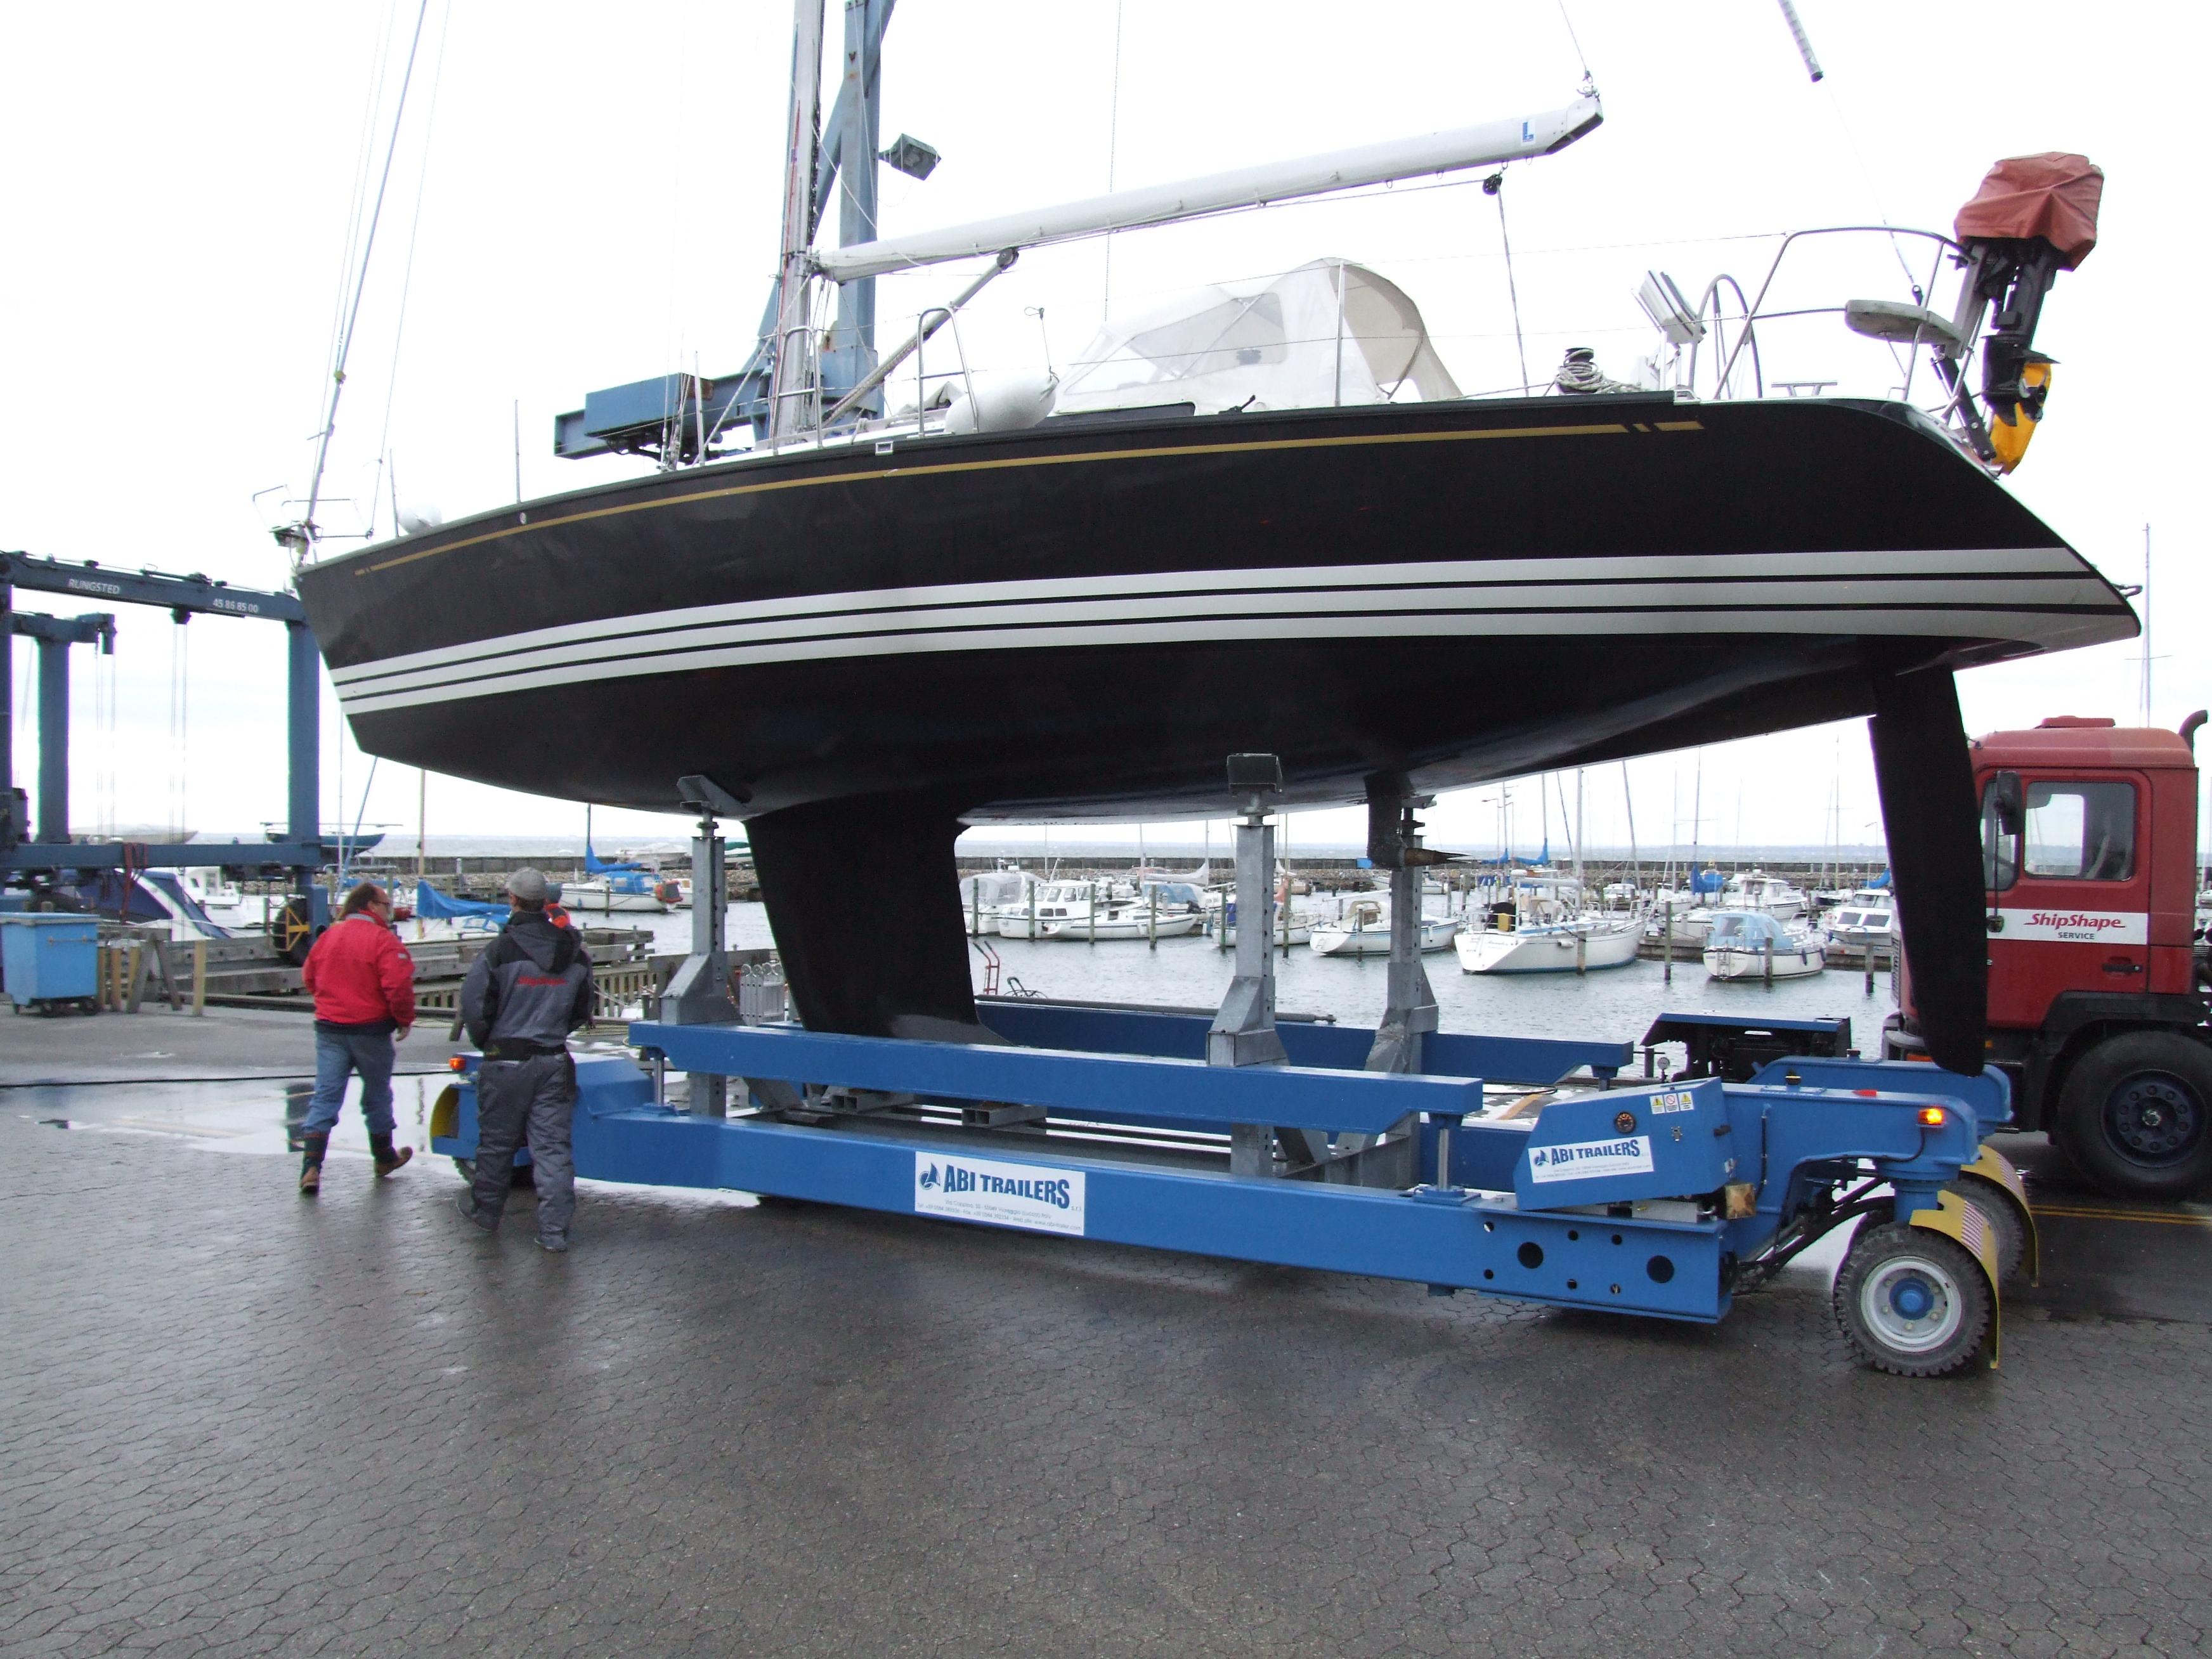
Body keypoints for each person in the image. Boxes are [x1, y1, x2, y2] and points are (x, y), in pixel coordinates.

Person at [457, 868, 595, 1251]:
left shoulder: (500, 951)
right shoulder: (574, 952)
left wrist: (492, 1043)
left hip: (507, 1061)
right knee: (552, 1149)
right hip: (553, 1060)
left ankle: (486, 1213)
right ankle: (554, 1231)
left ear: (513, 900)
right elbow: (583, 1009)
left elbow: (475, 1006)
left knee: (497, 1143)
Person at [297, 881, 417, 1194]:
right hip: (370, 1030)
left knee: (326, 1095)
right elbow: (398, 986)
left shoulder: (328, 937)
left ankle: (311, 1167)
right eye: (386, 905)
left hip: (330, 1027)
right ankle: (383, 1157)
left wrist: (330, 1002)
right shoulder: (383, 941)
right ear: (371, 906)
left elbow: (309, 977)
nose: (389, 911)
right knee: (377, 1095)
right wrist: (404, 1019)